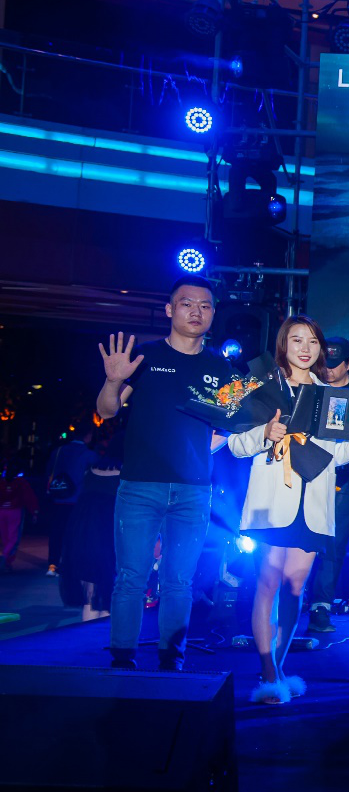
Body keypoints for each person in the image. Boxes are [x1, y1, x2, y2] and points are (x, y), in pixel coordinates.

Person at [228, 317, 349, 705]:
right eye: (297, 340)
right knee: (267, 582)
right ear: (283, 345)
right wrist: (264, 434)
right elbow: (235, 445)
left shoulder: (331, 395)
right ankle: (267, 673)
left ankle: (278, 666)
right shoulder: (261, 387)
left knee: (295, 588)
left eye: (312, 341)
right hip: (272, 501)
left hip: (312, 505)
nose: (305, 348)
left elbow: (337, 452)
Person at [96, 274, 238, 669]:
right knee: (131, 576)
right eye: (187, 303)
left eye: (205, 306)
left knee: (179, 581)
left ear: (213, 314)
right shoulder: (144, 356)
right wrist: (113, 380)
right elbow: (106, 411)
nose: (196, 311)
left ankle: (171, 659)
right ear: (169, 309)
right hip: (139, 486)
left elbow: (231, 424)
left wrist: (202, 449)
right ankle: (122, 657)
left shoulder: (222, 367)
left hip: (194, 490)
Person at [307, 336, 349, 634]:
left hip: (346, 478)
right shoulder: (310, 385)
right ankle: (289, 597)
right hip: (307, 470)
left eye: (334, 364)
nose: (328, 369)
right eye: (324, 363)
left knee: (334, 541)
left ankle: (320, 606)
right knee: (301, 537)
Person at [64, 440, 123, 621]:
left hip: (83, 531)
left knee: (90, 595)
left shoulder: (92, 469)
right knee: (108, 592)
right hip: (109, 532)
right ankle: (100, 633)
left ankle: (86, 632)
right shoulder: (126, 472)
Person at [45, 431, 97, 576]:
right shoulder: (89, 454)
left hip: (58, 496)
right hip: (77, 499)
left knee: (56, 531)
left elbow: (48, 471)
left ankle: (53, 565)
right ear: (88, 436)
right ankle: (69, 565)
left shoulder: (58, 451)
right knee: (75, 533)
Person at [0, 456, 39, 570]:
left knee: (5, 536)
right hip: (15, 511)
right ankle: (5, 556)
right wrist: (34, 512)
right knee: (13, 537)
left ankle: (7, 561)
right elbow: (29, 497)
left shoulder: (2, 482)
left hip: (2, 511)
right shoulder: (21, 482)